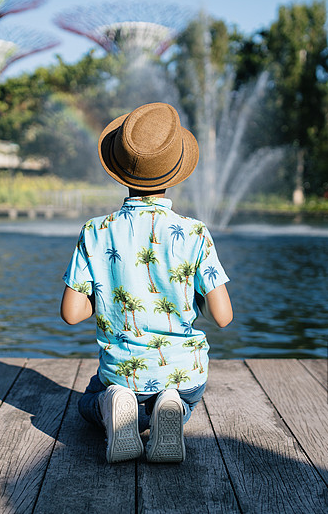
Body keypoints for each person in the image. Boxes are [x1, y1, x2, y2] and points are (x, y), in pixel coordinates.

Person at [60, 102, 233, 464]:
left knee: (87, 403)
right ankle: (173, 406)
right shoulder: (195, 232)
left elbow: (72, 314)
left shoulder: (95, 231)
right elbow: (223, 316)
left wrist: (105, 296)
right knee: (183, 396)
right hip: (183, 372)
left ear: (120, 173)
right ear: (175, 173)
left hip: (121, 371)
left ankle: (114, 403)